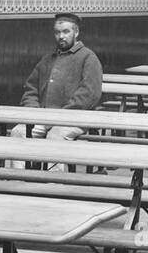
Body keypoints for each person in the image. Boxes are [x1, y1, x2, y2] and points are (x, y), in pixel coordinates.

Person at [8, 12, 103, 170]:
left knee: (55, 136)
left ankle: (54, 186)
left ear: (76, 32)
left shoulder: (88, 58)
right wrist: (33, 112)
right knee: (18, 132)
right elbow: (31, 88)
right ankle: (19, 183)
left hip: (74, 118)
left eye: (66, 32)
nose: (61, 36)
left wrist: (60, 116)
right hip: (43, 117)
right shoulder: (47, 59)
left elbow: (89, 95)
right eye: (57, 32)